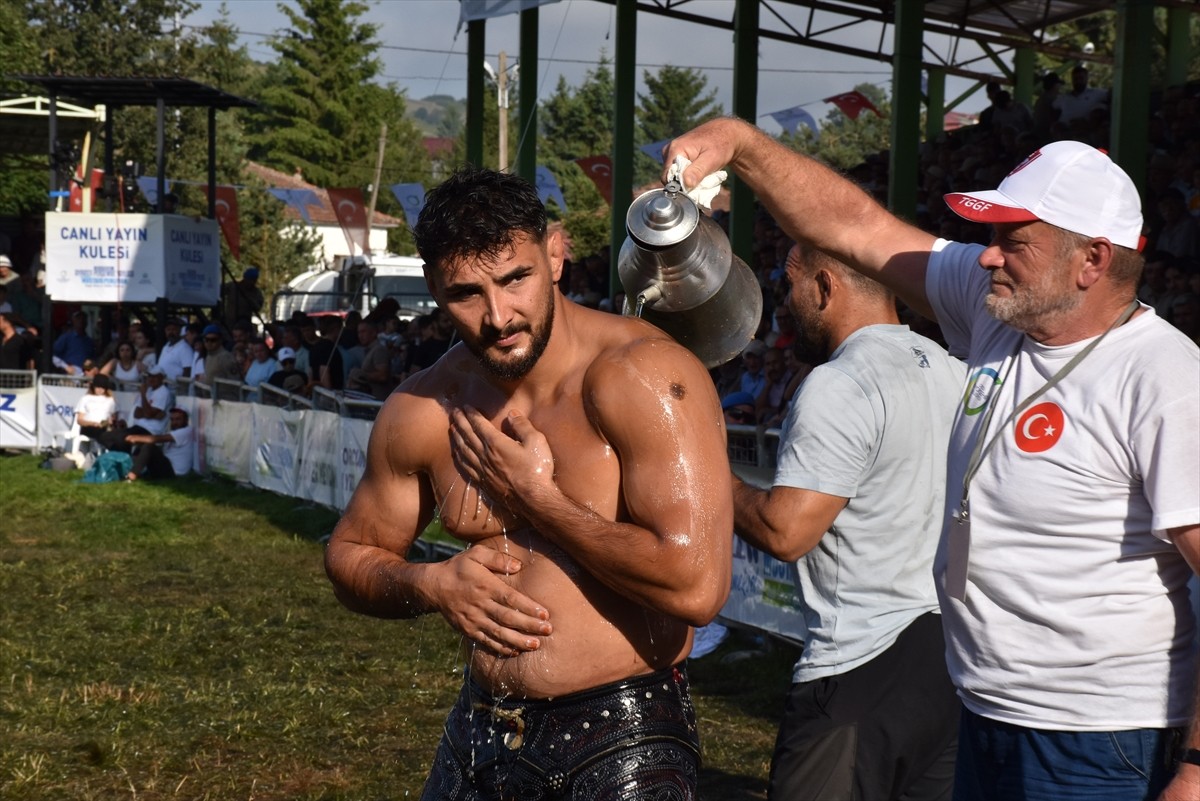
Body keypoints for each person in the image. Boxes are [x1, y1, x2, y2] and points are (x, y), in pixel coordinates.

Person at [665, 119, 1200, 801]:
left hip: (1098, 738)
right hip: (981, 710)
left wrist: (1197, 766)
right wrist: (744, 145)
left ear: (1091, 260)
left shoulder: (1165, 377)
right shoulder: (997, 314)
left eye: (1015, 239)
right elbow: (855, 228)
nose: (986, 256)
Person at [324, 166, 733, 800]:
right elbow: (349, 555)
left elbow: (696, 586)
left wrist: (539, 500)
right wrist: (429, 583)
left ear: (556, 253)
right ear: (434, 288)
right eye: (466, 293)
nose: (498, 314)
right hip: (479, 730)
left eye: (516, 278)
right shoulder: (426, 408)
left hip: (621, 735)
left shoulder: (643, 377)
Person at [732, 240, 965, 800]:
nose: (786, 302)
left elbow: (786, 531)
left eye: (792, 285)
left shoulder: (842, 383)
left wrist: (715, 473)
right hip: (947, 656)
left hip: (863, 657)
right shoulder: (953, 369)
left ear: (826, 286)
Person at [123, 407, 195, 481]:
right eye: (172, 420)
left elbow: (157, 439)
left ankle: (132, 476)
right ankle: (129, 469)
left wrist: (135, 438)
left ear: (186, 420)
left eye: (178, 419)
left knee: (149, 446)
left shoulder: (186, 431)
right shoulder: (173, 431)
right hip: (167, 467)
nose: (174, 423)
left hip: (174, 471)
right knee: (144, 445)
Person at [74, 374, 118, 439]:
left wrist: (104, 423)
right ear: (93, 386)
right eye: (97, 387)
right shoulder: (85, 398)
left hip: (103, 427)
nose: (100, 389)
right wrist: (92, 424)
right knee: (99, 433)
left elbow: (113, 419)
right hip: (88, 427)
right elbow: (79, 420)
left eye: (102, 387)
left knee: (108, 433)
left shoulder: (110, 400)